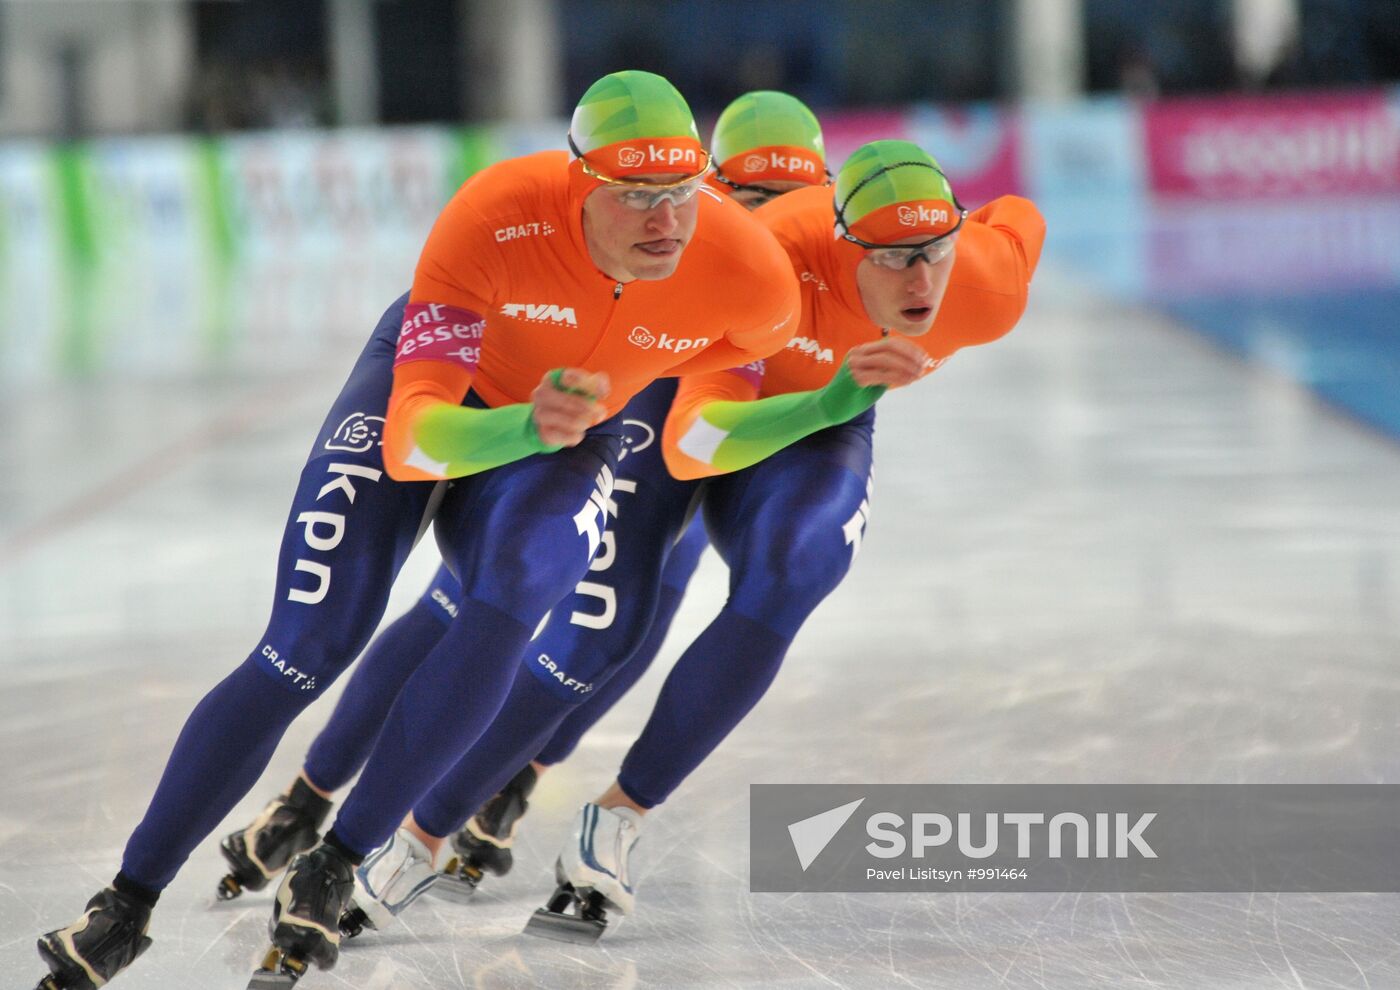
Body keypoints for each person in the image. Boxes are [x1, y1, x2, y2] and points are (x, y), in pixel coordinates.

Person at [33, 70, 800, 990]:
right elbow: (410, 443)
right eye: (635, 197)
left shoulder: (748, 273)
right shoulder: (497, 213)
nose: (665, 222)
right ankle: (126, 904)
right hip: (448, 400)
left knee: (524, 581)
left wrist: (612, 400)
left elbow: (724, 381)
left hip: (564, 431)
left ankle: (338, 859)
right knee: (309, 644)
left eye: (680, 193)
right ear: (577, 184)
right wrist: (528, 422)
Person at [347, 138, 1046, 944]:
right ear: (845, 242)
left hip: (824, 412)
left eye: (934, 253)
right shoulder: (779, 262)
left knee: (802, 564)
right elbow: (693, 444)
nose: (921, 281)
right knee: (601, 626)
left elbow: (1018, 218)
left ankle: (619, 817)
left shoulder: (986, 286)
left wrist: (833, 402)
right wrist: (825, 403)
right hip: (689, 393)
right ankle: (420, 837)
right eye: (891, 259)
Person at [213, 89, 833, 910]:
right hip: (639, 404)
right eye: (752, 200)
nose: (773, 225)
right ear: (715, 189)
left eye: (792, 204)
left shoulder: (833, 261)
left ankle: (512, 780)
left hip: (728, 418)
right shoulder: (677, 232)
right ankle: (316, 794)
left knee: (637, 613)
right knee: (474, 599)